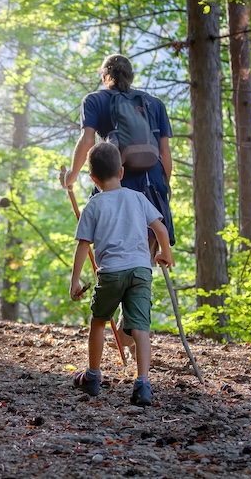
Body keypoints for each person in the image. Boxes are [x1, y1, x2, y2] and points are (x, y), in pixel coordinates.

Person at [63, 53, 175, 359]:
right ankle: (132, 325)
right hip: (153, 189)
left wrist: (72, 177)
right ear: (132, 76)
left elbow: (88, 140)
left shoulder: (96, 100)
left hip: (114, 185)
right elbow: (165, 153)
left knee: (111, 250)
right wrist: (164, 190)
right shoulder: (155, 104)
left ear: (104, 76)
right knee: (142, 261)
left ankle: (124, 330)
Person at [70, 142, 174, 405]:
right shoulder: (138, 198)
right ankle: (143, 383)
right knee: (140, 327)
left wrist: (75, 279)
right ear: (122, 172)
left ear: (93, 178)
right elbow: (161, 229)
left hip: (111, 273)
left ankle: (92, 376)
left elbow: (84, 244)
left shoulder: (93, 205)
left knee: (99, 320)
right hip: (141, 270)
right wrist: (165, 253)